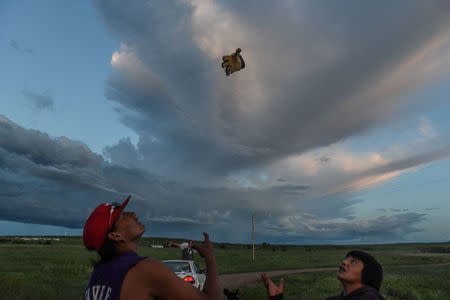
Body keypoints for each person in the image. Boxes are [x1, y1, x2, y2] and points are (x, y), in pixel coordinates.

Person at [83, 195, 220, 300]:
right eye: (123, 216)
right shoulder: (145, 270)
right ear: (116, 235)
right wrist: (210, 258)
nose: (132, 214)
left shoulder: (97, 276)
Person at [261, 250, 385, 300]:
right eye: (346, 259)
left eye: (353, 261)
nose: (344, 262)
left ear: (368, 274)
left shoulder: (369, 298)